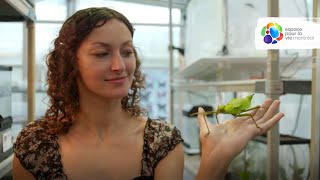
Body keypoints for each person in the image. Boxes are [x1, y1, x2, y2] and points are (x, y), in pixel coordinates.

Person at [12, 7, 284, 180]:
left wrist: (217, 159)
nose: (120, 66)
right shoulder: (35, 144)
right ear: (70, 63)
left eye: (127, 52)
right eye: (102, 53)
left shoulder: (160, 142)